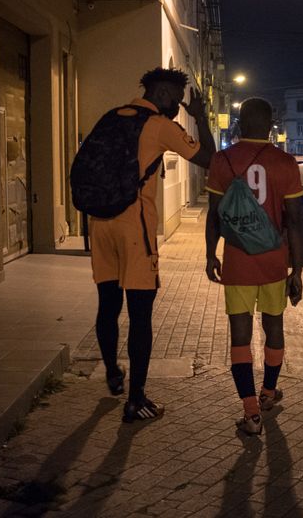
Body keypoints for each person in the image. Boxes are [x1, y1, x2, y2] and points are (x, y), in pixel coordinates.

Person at [91, 67, 214, 422]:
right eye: (175, 101)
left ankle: (114, 373)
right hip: (135, 229)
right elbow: (209, 158)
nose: (177, 108)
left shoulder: (111, 117)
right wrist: (200, 119)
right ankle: (136, 399)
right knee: (141, 314)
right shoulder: (159, 126)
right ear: (161, 94)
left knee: (108, 304)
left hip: (101, 223)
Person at [205, 98, 303, 435]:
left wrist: (210, 255)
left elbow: (213, 216)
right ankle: (266, 393)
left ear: (239, 123)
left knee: (240, 336)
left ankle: (250, 413)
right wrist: (298, 271)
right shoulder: (286, 163)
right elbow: (295, 222)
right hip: (274, 262)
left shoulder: (223, 160)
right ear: (271, 123)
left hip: (237, 261)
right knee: (273, 328)